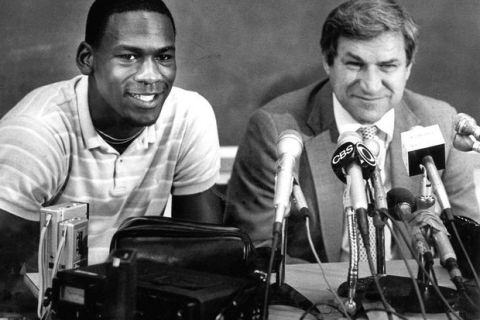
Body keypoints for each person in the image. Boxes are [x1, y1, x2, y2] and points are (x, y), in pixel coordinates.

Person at [225, 0, 480, 263]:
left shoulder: (440, 122)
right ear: (327, 61)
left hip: (416, 295)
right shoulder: (273, 129)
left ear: (408, 67)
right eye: (355, 64)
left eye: (387, 66)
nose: (370, 85)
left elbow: (468, 240)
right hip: (318, 298)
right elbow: (258, 249)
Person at [0, 0, 221, 269]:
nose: (151, 76)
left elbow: (203, 254)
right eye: (129, 57)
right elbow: (8, 283)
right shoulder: (36, 133)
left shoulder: (188, 116)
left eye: (163, 57)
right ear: (87, 59)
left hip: (129, 296)